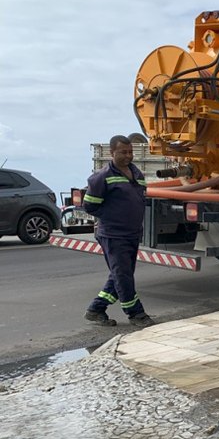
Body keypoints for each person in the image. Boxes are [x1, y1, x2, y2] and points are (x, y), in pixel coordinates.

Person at [83, 135, 156, 327]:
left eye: (130, 152)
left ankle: (96, 309)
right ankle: (136, 314)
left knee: (120, 274)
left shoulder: (136, 173)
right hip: (113, 235)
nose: (128, 156)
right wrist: (112, 217)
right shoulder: (102, 177)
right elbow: (90, 206)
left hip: (131, 234)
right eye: (123, 152)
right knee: (123, 275)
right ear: (112, 153)